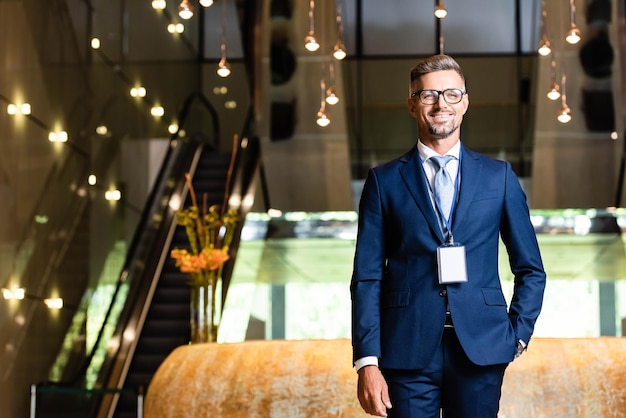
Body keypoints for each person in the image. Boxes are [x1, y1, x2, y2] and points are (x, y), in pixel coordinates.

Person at [350, 54, 546, 418]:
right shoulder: (383, 182)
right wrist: (367, 360)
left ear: (465, 102)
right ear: (412, 105)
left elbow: (531, 269)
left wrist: (516, 336)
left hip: (481, 347)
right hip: (405, 350)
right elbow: (367, 277)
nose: (441, 104)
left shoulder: (498, 177)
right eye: (428, 95)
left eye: (452, 94)